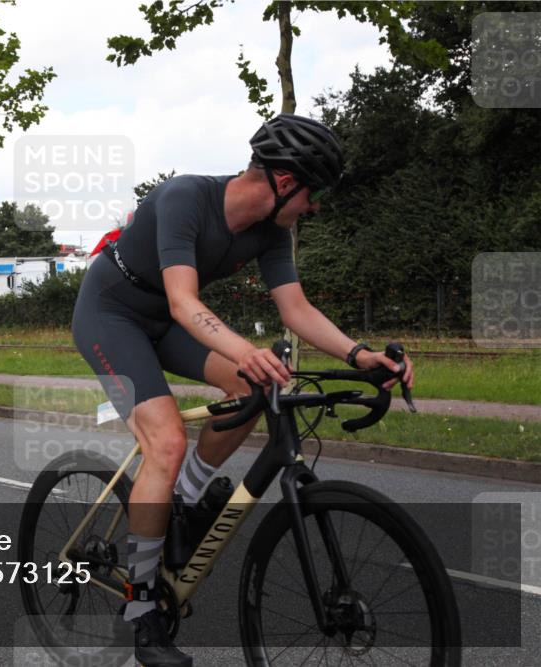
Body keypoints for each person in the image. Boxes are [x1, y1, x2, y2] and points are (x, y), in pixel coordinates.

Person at [71, 113, 413, 667]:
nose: (317, 205)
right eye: (315, 192)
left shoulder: (273, 232)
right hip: (111, 315)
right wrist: (243, 349)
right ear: (284, 183)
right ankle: (141, 610)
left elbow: (295, 309)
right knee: (166, 442)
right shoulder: (184, 197)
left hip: (164, 321)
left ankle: (183, 500)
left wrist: (358, 353)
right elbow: (184, 302)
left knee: (254, 383)